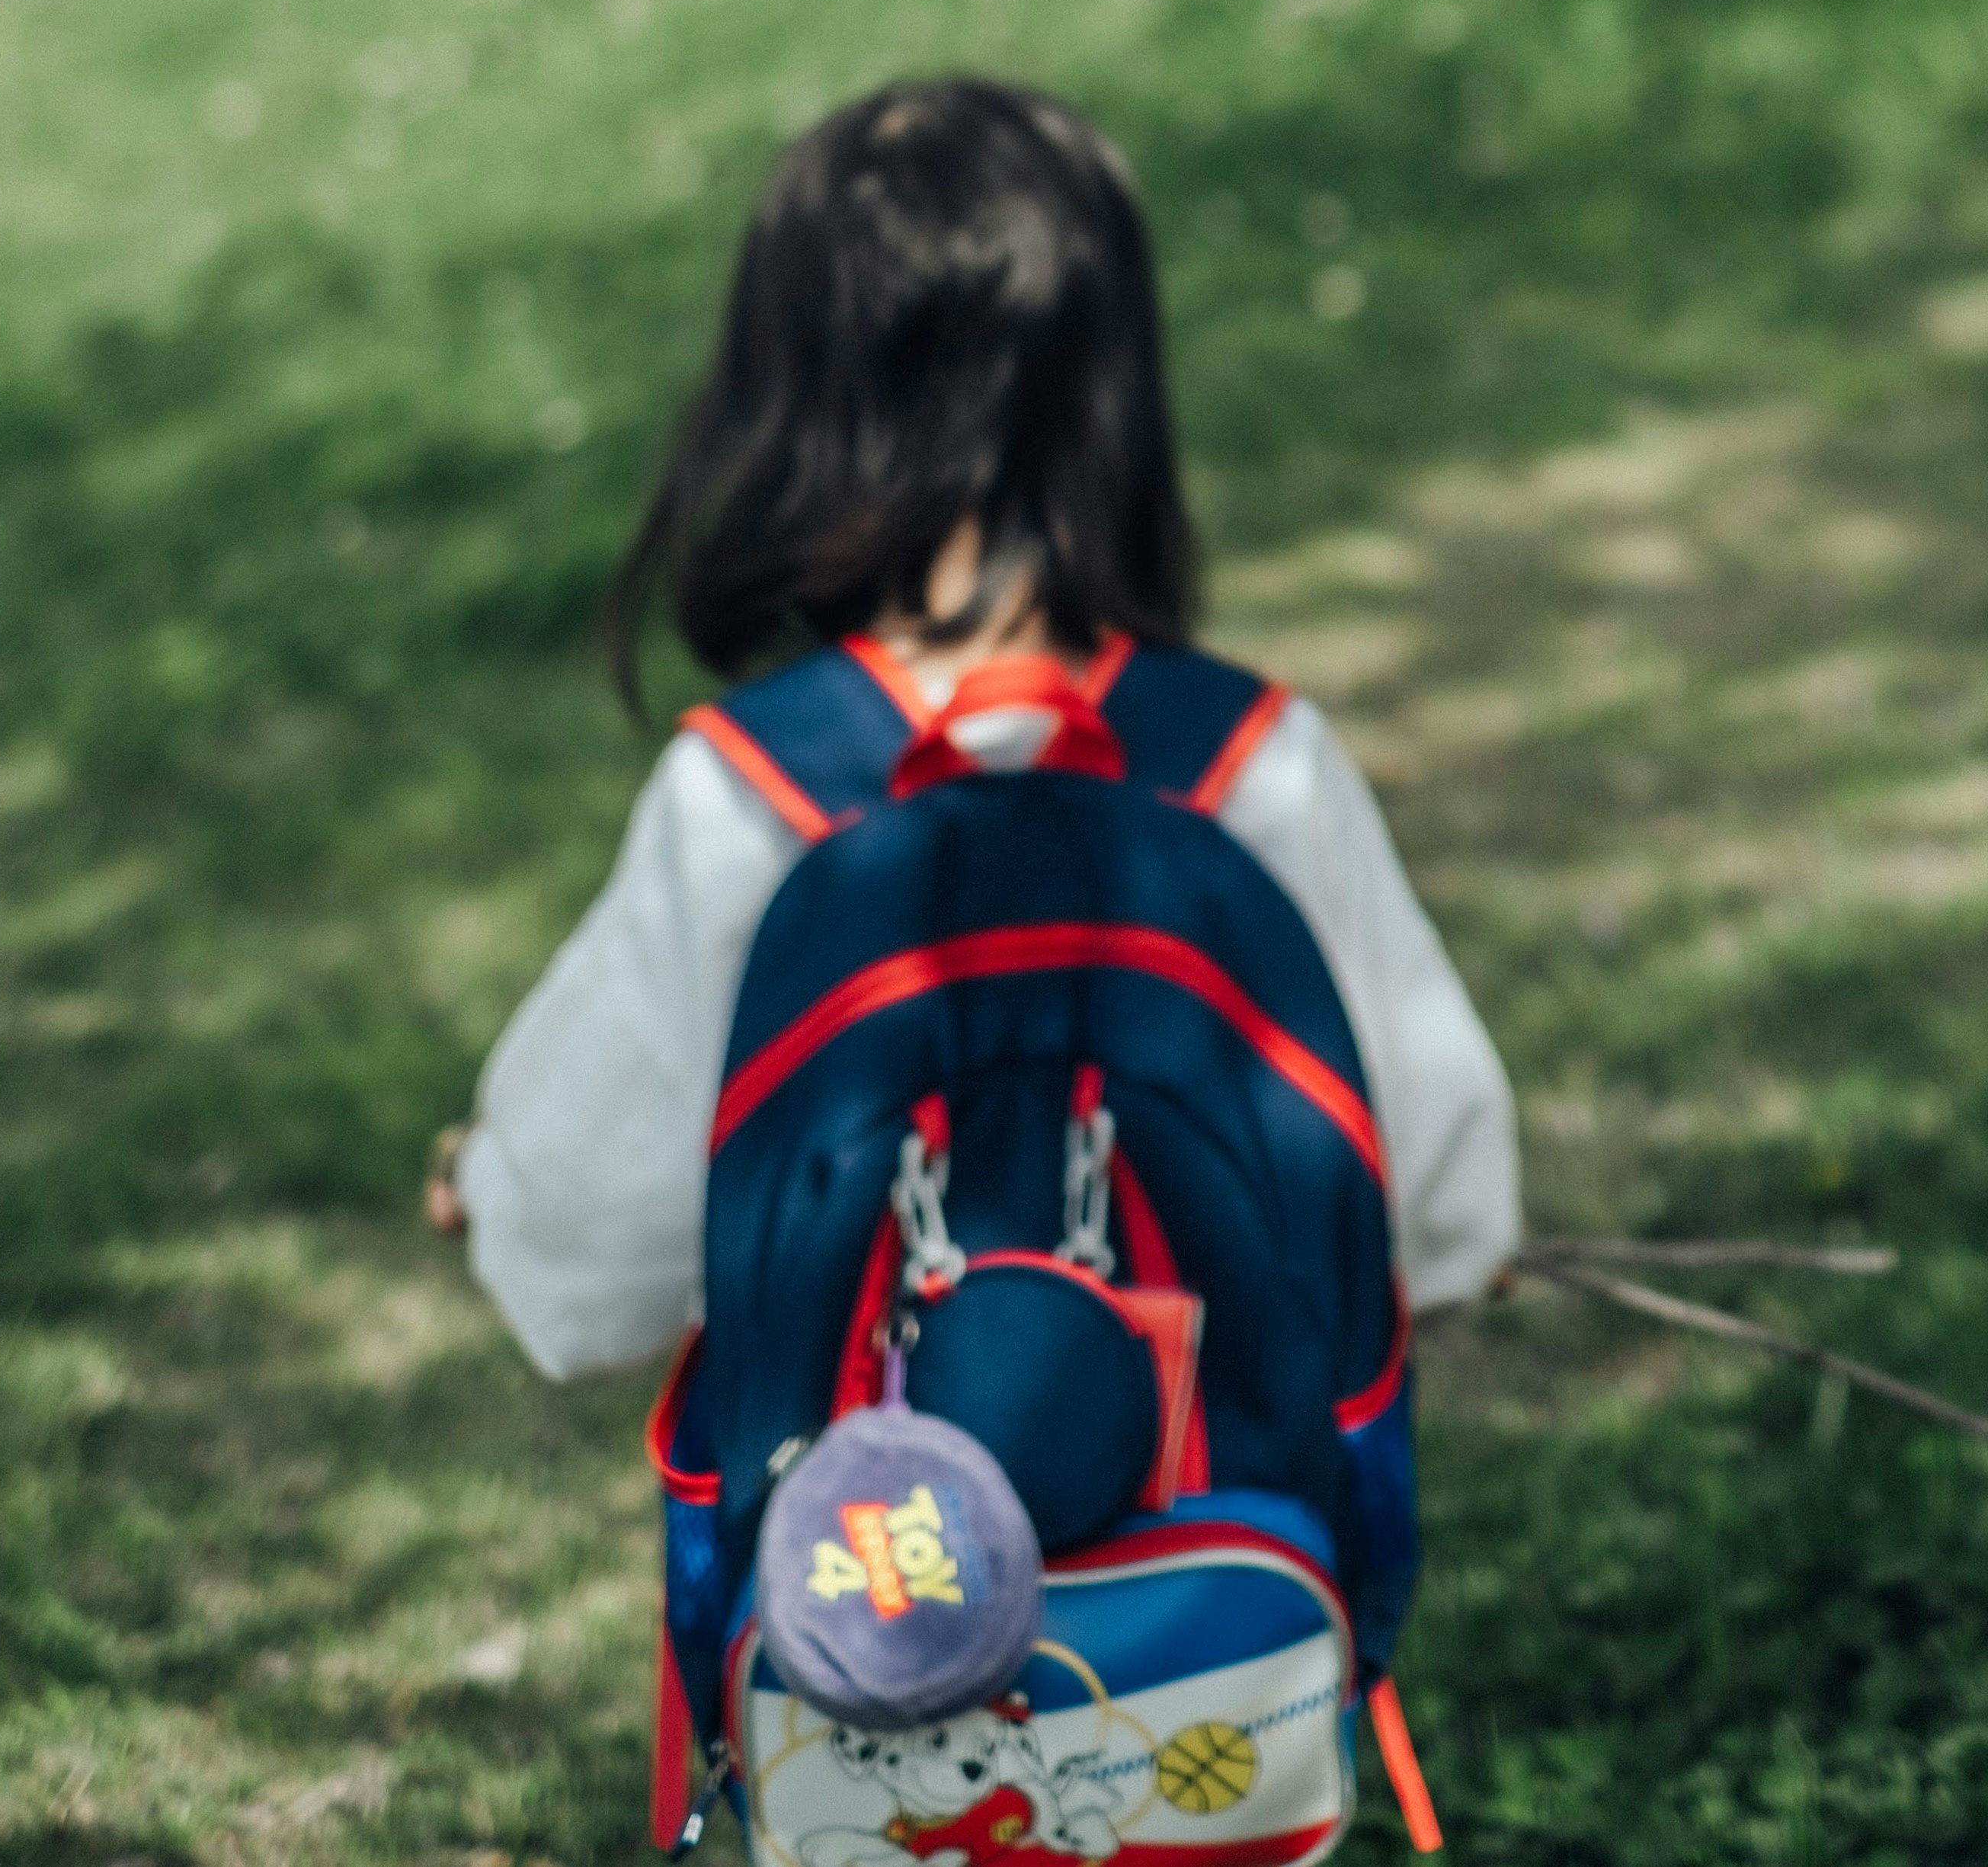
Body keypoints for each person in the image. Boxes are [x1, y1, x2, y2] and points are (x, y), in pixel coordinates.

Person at [427, 76, 1519, 1391]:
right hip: (1231, 1548)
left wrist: (491, 1184)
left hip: (871, 1569)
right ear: (1117, 403)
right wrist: (1455, 1247)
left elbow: (597, 1227)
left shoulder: (749, 797)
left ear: (791, 406)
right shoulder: (1254, 763)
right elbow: (1437, 1185)